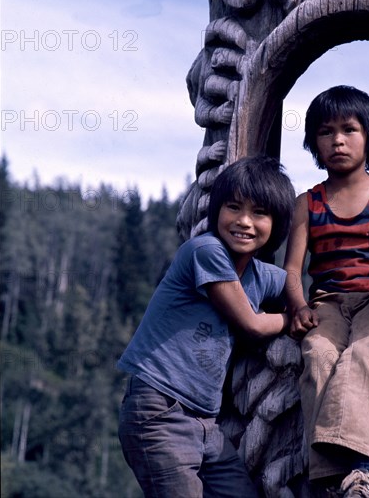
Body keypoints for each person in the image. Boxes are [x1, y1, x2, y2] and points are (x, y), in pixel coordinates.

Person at [117, 155, 296, 498]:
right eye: (233, 208)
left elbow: (293, 285)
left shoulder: (261, 275)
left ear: (277, 223)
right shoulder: (205, 251)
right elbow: (253, 325)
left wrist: (308, 306)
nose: (244, 222)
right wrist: (291, 320)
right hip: (159, 412)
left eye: (260, 213)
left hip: (204, 425)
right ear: (216, 212)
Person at [284, 85, 369, 497]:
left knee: (367, 351)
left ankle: (361, 469)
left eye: (349, 130)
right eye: (326, 132)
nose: (337, 140)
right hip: (329, 301)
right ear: (313, 143)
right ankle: (327, 477)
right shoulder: (308, 202)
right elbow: (292, 268)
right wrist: (299, 305)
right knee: (318, 354)